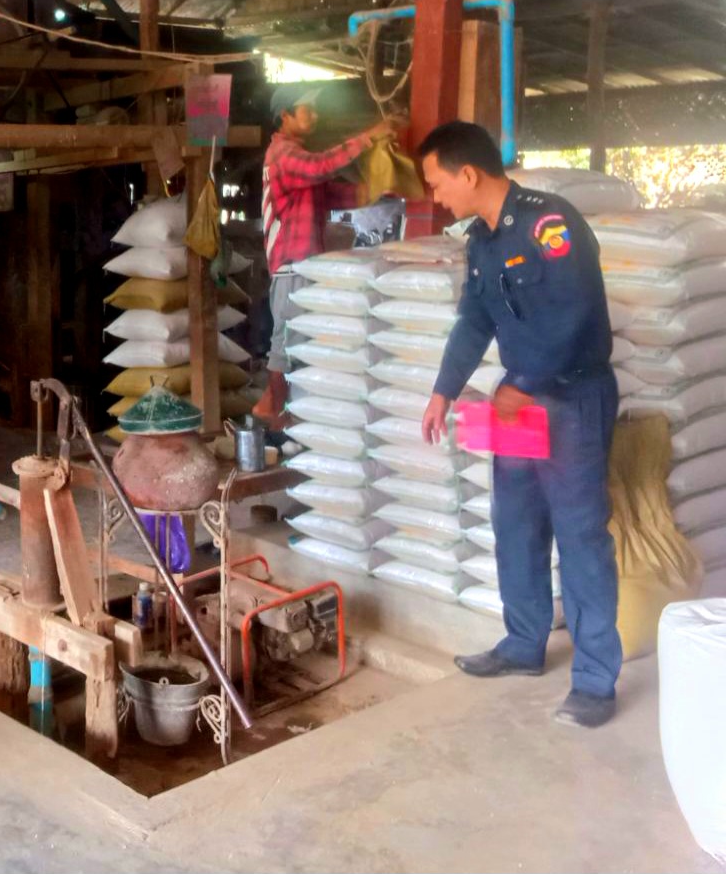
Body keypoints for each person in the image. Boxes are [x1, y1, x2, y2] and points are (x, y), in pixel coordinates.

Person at [418, 121, 621, 729]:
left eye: (436, 184)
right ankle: (524, 642)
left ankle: (595, 681)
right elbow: (475, 321)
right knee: (515, 522)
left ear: (468, 174)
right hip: (519, 402)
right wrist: (443, 390)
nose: (435, 197)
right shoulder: (481, 241)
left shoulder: (547, 223)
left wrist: (523, 382)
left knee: (580, 536)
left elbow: (575, 309)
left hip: (570, 397)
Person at [253, 86, 401, 423]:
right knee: (286, 342)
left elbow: (335, 194)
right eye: (308, 109)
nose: (315, 115)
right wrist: (368, 137)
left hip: (308, 266)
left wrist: (380, 187)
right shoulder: (283, 154)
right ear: (285, 115)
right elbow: (321, 166)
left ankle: (286, 413)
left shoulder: (297, 159)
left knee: (302, 342)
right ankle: (271, 408)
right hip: (292, 265)